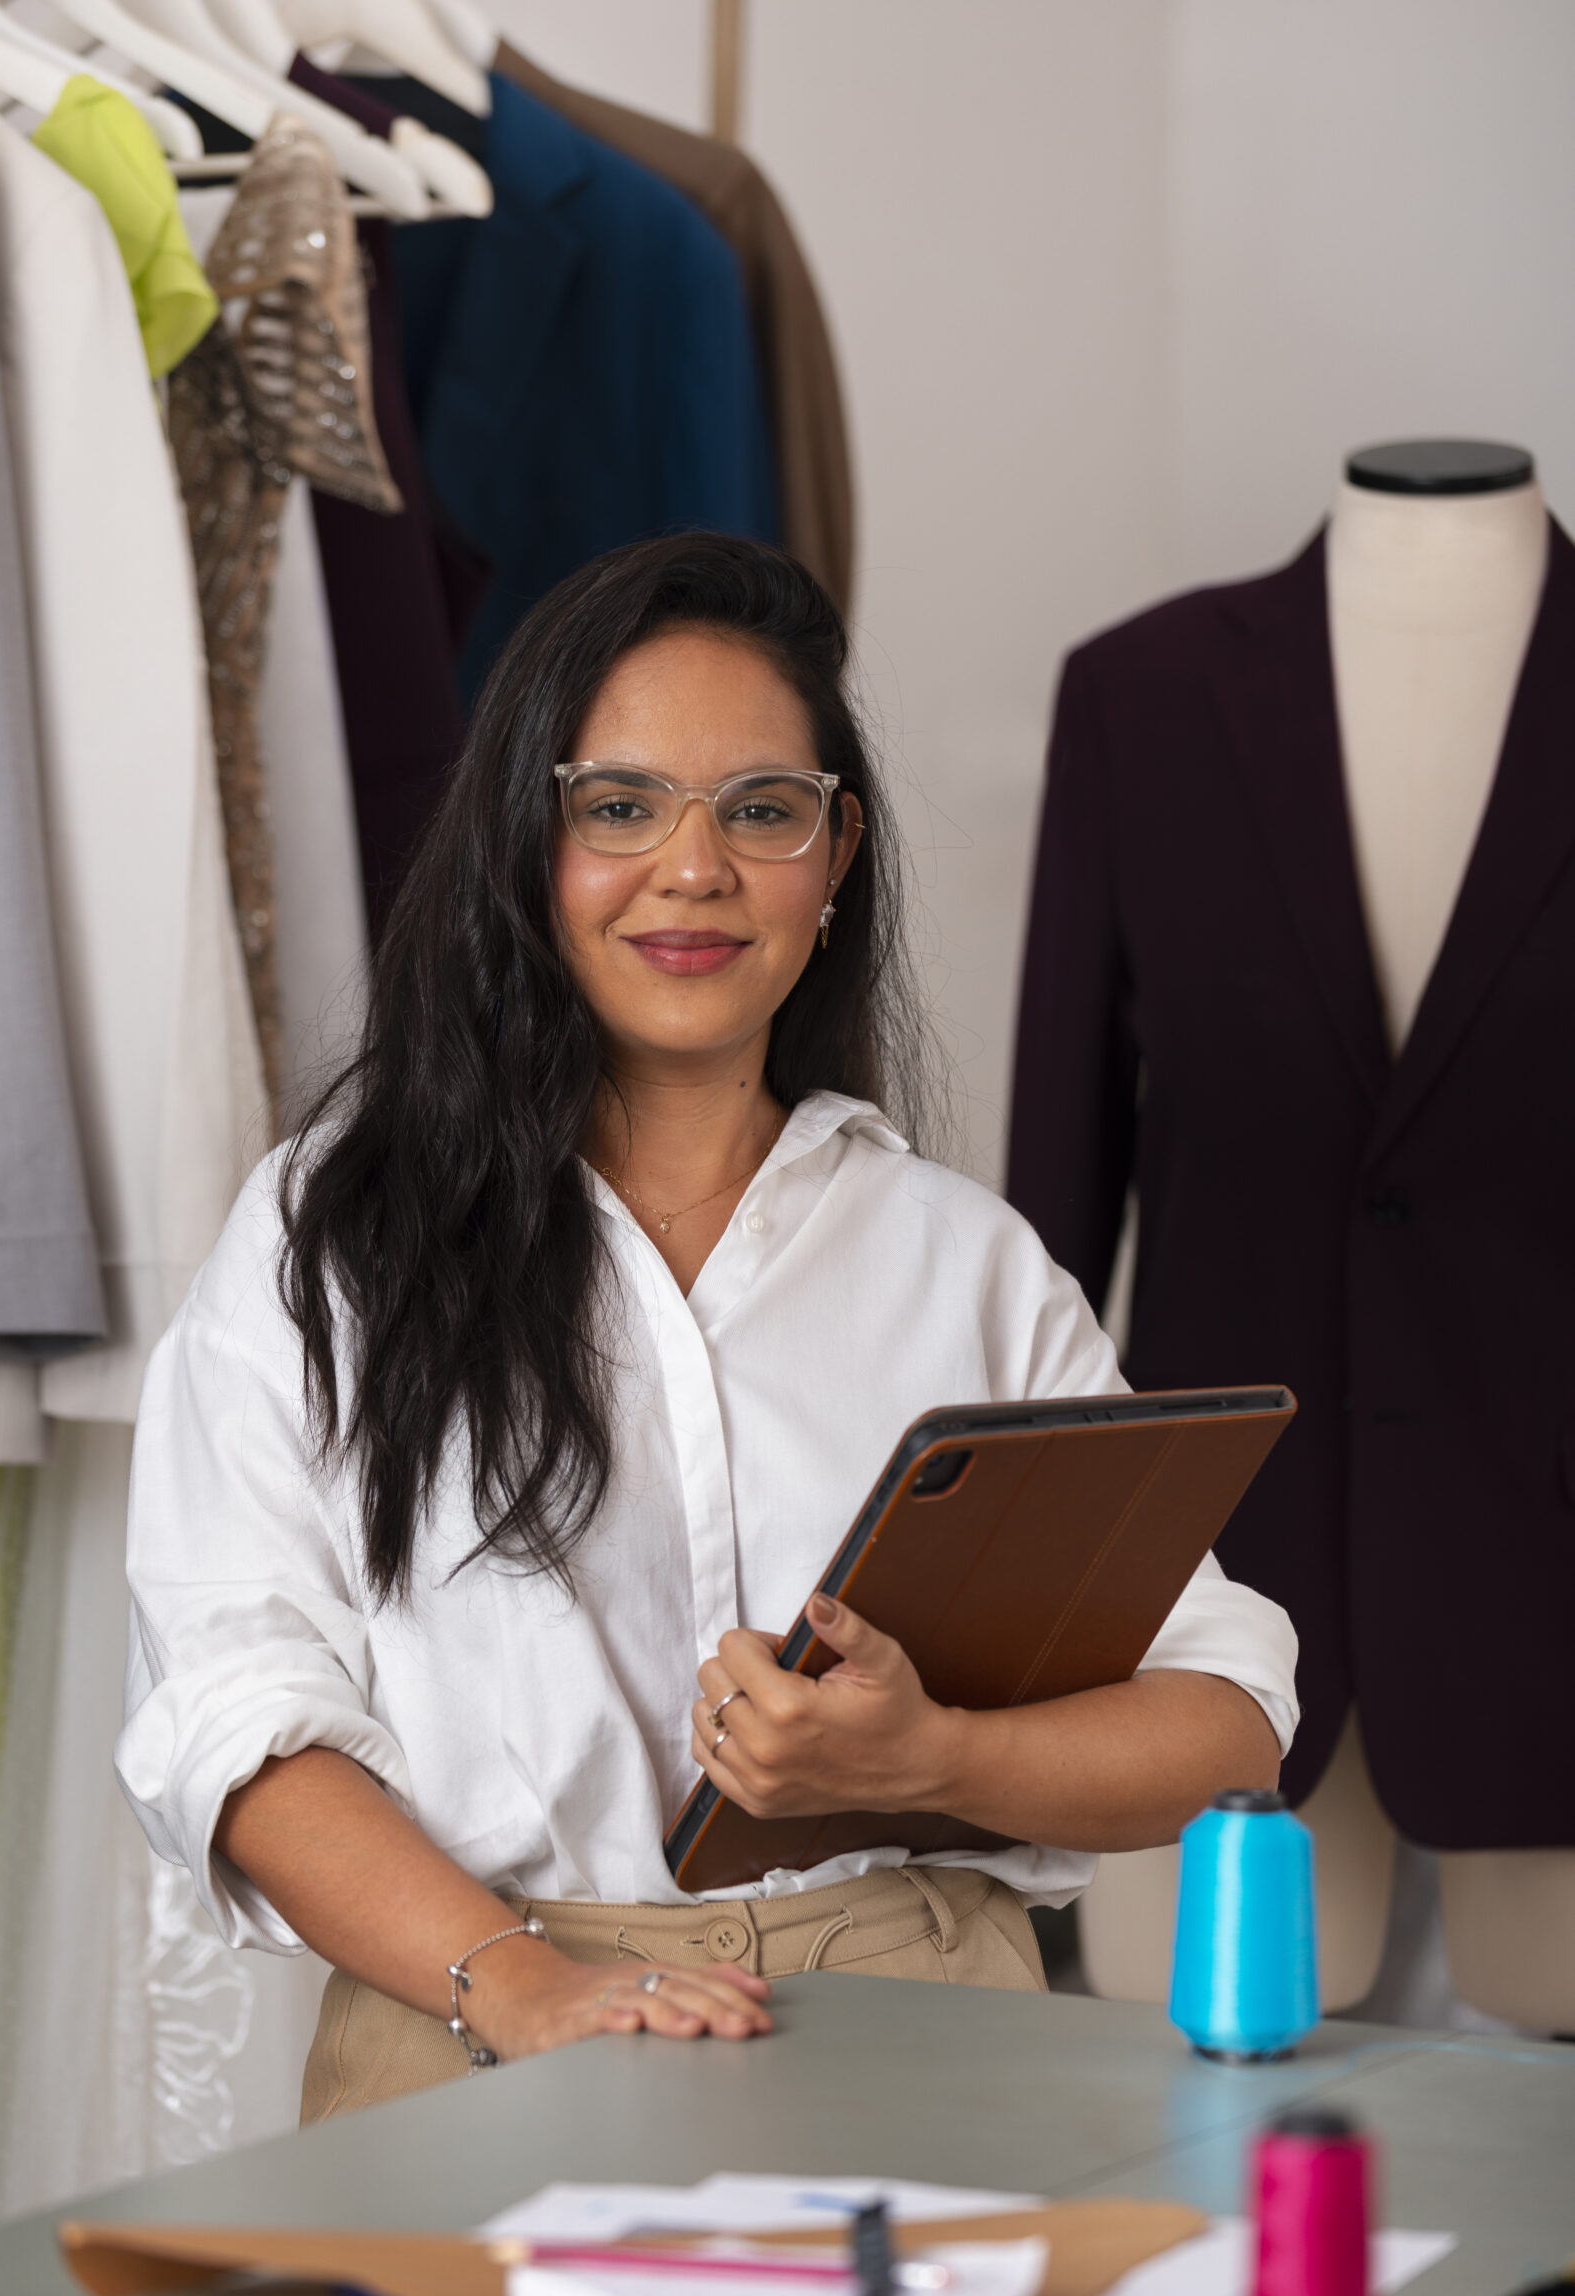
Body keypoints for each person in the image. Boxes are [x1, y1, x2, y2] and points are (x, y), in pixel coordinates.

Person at [120, 533, 1298, 2121]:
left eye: (763, 811)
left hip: (930, 2036)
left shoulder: (970, 1266)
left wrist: (927, 1761)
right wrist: (520, 1982)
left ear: (838, 855)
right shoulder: (324, 1240)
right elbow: (233, 1715)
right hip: (475, 2031)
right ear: (524, 846)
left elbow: (1224, 1724)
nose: (695, 869)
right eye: (618, 807)